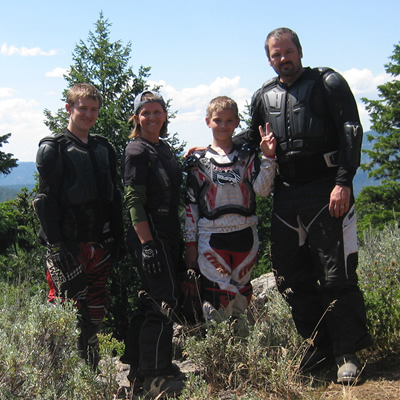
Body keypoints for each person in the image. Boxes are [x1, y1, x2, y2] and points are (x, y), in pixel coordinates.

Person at [234, 27, 373, 384]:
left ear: (299, 50)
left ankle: (347, 352)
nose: (283, 59)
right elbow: (251, 136)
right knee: (288, 276)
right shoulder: (263, 96)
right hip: (286, 192)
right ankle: (319, 343)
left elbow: (350, 131)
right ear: (268, 59)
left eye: (287, 51)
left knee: (336, 273)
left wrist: (343, 181)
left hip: (327, 189)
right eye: (275, 54)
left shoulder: (328, 83)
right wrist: (212, 147)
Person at [33, 83, 124, 370]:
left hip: (99, 243)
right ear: (68, 108)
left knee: (96, 311)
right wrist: (56, 246)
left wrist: (119, 238)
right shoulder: (53, 148)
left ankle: (89, 370)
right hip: (68, 245)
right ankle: (58, 374)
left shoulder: (104, 148)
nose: (88, 114)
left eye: (94, 109)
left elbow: (114, 197)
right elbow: (44, 201)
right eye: (82, 108)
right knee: (63, 312)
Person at [184, 96, 276, 331]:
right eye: (217, 120)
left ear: (236, 122)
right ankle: (219, 354)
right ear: (207, 122)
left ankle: (243, 355)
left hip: (246, 233)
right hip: (211, 238)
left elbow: (263, 192)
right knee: (218, 297)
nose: (223, 125)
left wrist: (268, 158)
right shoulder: (197, 161)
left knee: (242, 295)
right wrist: (190, 245)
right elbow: (191, 208)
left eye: (228, 121)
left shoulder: (248, 156)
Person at [121, 90, 185, 398]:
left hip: (168, 231)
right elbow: (134, 200)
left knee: (152, 298)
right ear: (137, 118)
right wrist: (147, 244)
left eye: (157, 111)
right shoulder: (136, 151)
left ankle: (138, 365)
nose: (152, 117)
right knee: (164, 300)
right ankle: (155, 373)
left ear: (165, 115)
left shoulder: (164, 149)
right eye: (145, 113)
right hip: (150, 232)